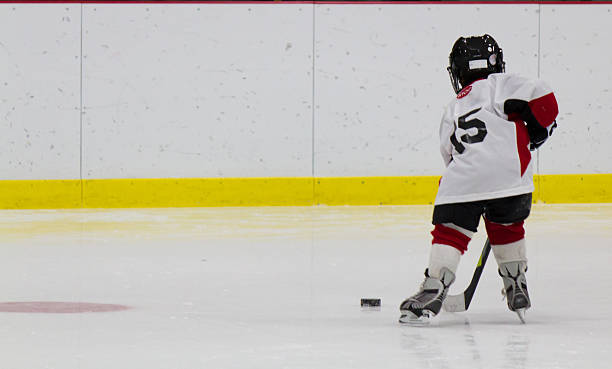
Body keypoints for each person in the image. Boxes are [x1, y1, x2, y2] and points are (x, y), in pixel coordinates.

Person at [399, 34, 558, 324]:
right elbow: (545, 101)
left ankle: (435, 285)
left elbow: (448, 153)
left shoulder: (453, 107)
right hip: (511, 178)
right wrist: (537, 129)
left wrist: (470, 182)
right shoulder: (503, 84)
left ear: (458, 71)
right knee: (507, 226)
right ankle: (516, 283)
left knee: (451, 231)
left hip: (464, 180)